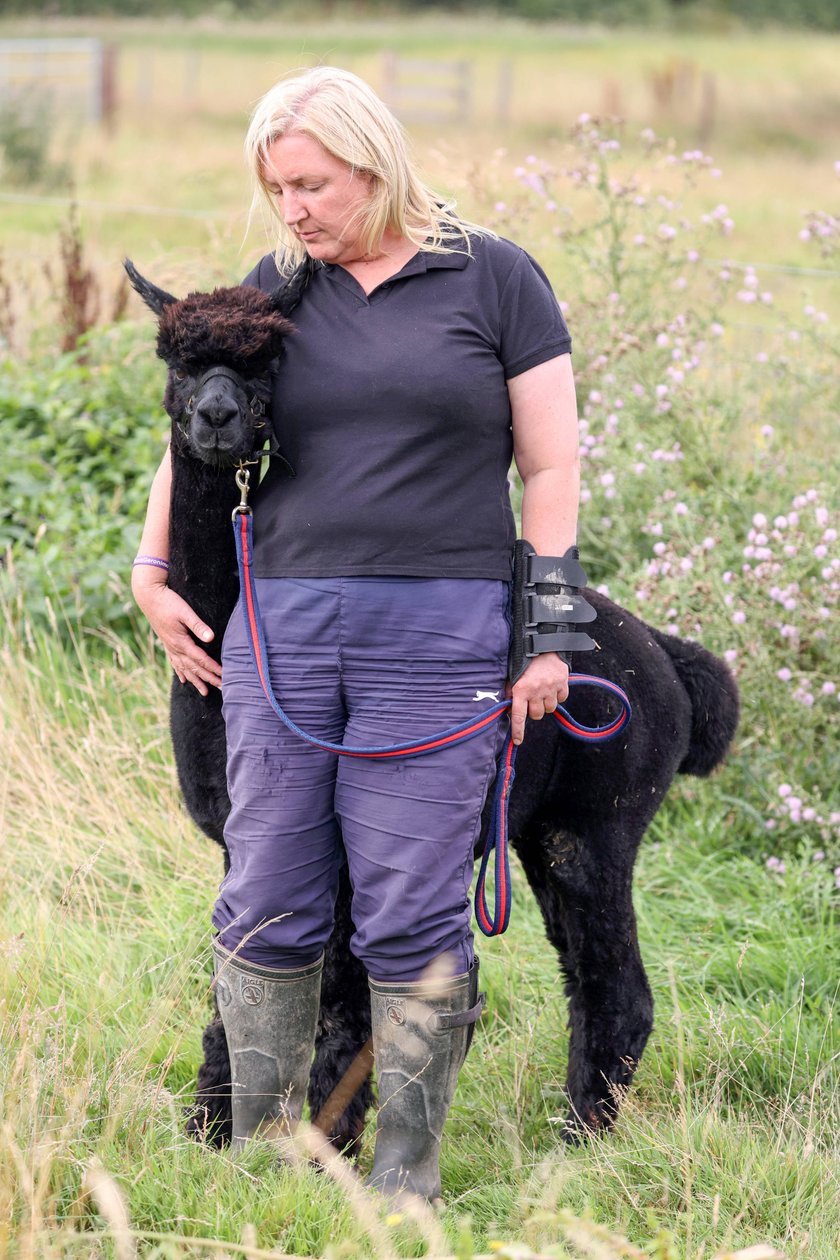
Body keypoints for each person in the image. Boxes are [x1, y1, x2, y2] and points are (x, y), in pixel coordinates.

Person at [132, 66, 579, 1204]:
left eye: (312, 184)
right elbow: (196, 408)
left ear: (375, 165)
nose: (292, 209)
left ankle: (403, 1180)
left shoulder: (495, 278)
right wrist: (150, 566)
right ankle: (262, 1162)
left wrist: (551, 627)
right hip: (280, 632)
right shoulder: (278, 288)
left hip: (440, 637)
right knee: (268, 891)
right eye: (276, 187)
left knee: (412, 905)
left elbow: (553, 464)